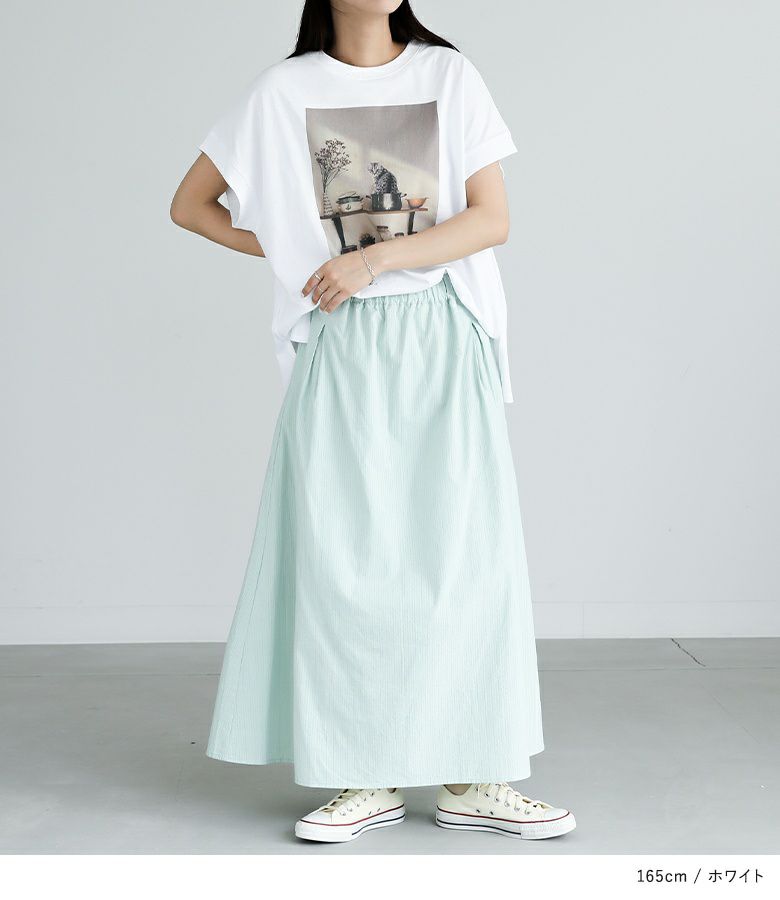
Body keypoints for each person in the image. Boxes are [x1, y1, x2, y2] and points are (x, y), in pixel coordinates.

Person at [170, 0, 576, 844]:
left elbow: (491, 219)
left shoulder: (447, 74)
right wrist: (304, 256)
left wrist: (371, 259)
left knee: (464, 555)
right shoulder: (283, 91)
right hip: (343, 341)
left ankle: (475, 775)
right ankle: (363, 774)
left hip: (443, 330)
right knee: (344, 559)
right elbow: (191, 205)